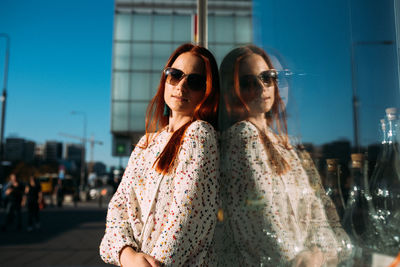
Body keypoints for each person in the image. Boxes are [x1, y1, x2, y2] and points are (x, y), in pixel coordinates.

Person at [218, 45, 351, 267]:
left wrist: (318, 255)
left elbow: (327, 222)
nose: (262, 87)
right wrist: (313, 256)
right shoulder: (243, 137)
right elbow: (263, 227)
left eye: (267, 78)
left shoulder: (285, 146)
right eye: (248, 82)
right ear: (232, 90)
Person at [100, 43, 220, 267]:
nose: (181, 85)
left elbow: (185, 218)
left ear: (207, 91)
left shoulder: (199, 134)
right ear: (165, 79)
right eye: (174, 75)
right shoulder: (147, 143)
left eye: (194, 81)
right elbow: (118, 207)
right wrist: (127, 255)